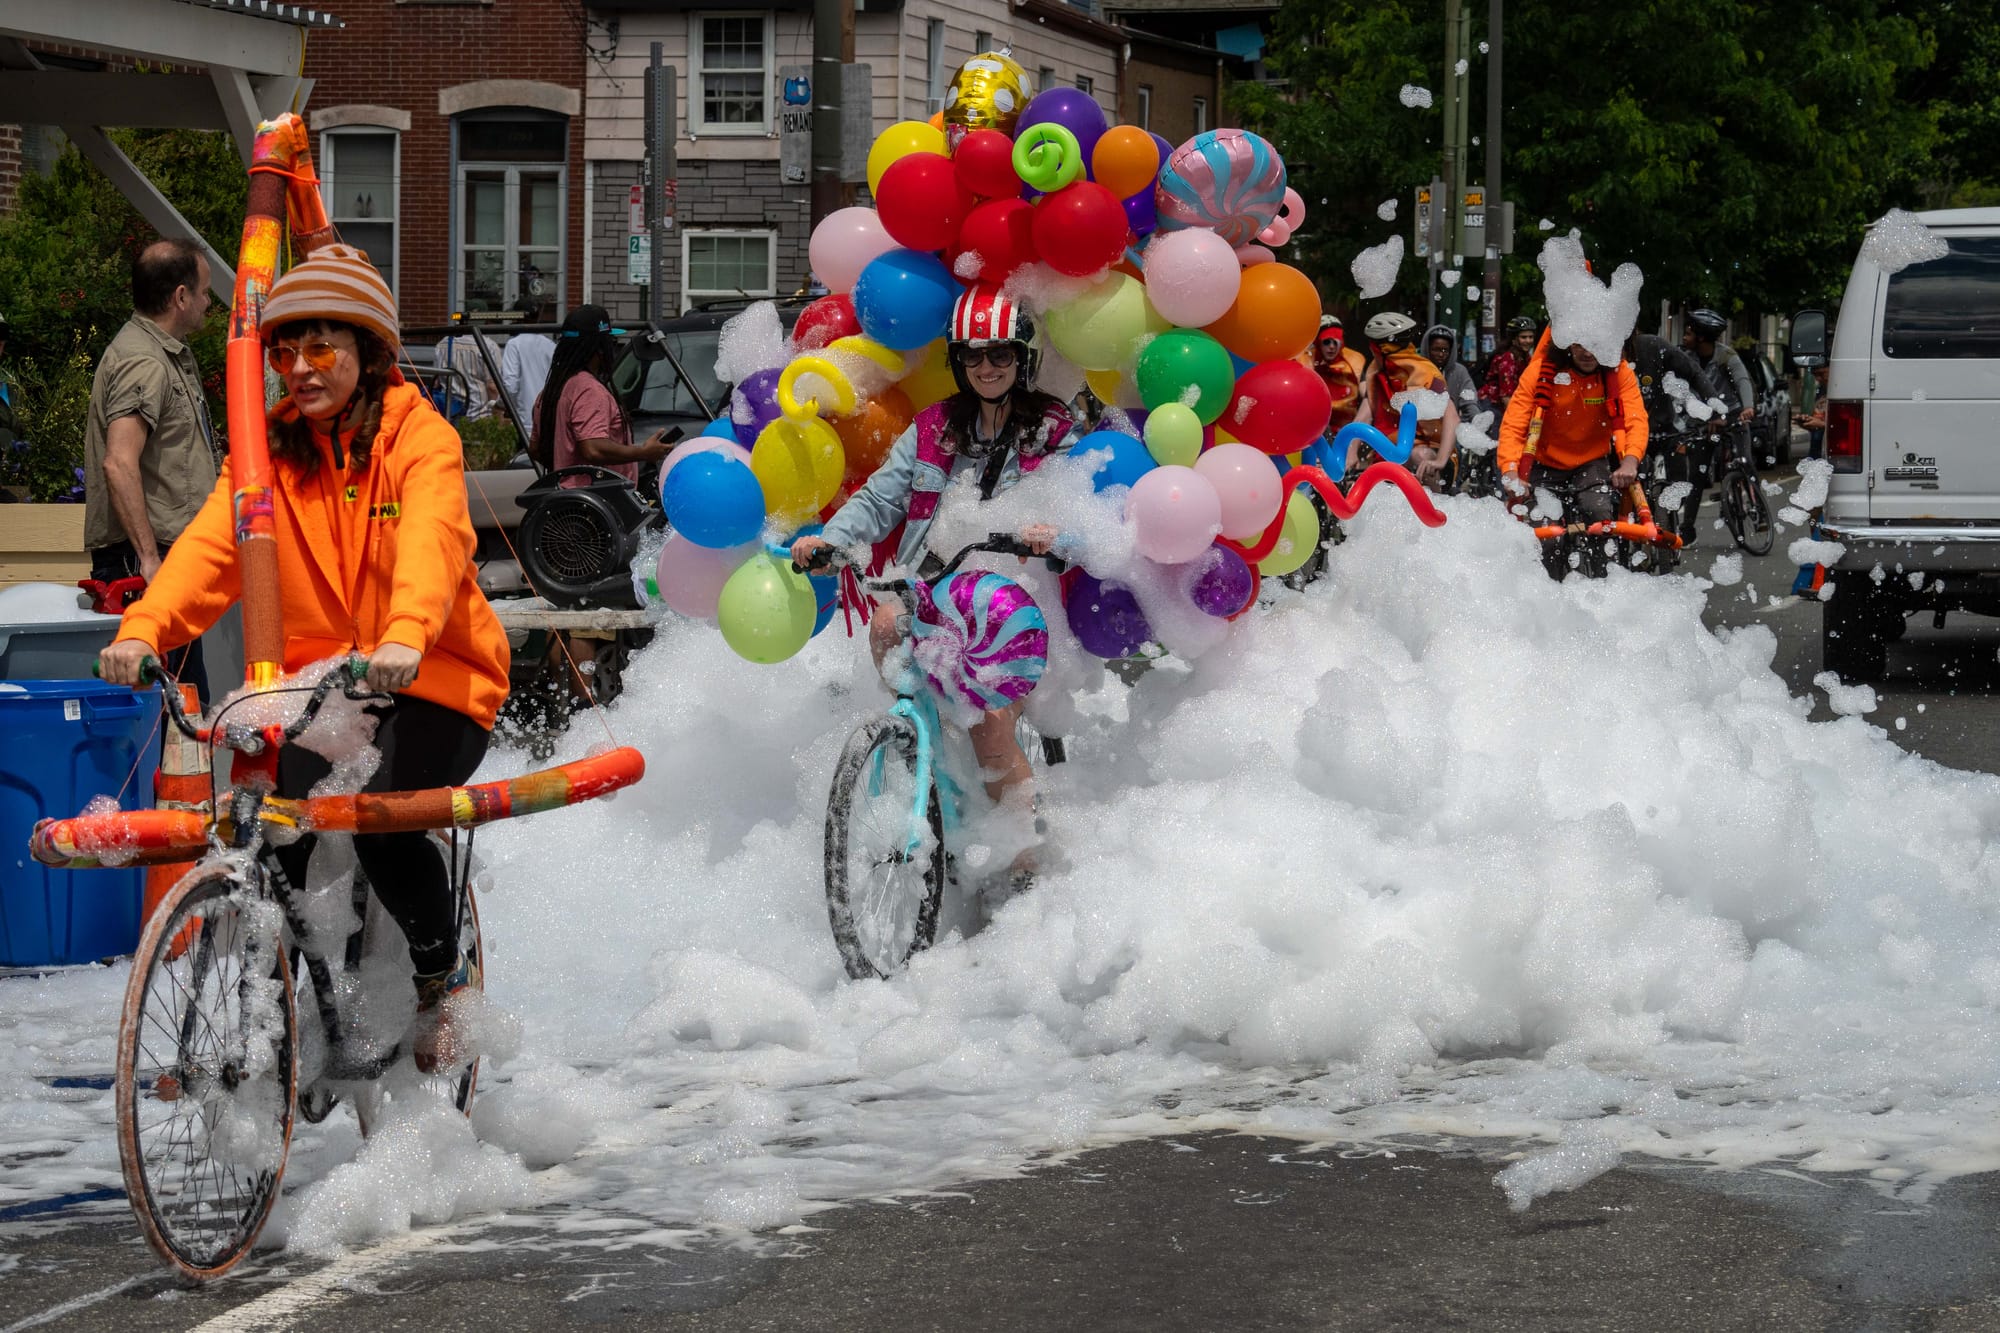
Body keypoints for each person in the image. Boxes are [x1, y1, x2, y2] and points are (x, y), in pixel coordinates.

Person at [97, 243, 512, 1072]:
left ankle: (439, 975)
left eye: (322, 347)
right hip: (324, 691)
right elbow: (213, 548)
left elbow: (433, 537)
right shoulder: (269, 456)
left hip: (434, 678)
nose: (298, 368)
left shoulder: (417, 438)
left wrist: (405, 633)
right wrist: (145, 628)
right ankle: (295, 1018)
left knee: (381, 821)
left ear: (369, 349)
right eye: (285, 350)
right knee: (269, 828)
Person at [791, 287, 1071, 880]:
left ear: (1022, 357)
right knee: (887, 622)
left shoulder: (1052, 428)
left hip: (1008, 599)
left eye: (999, 353)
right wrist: (833, 541)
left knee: (992, 734)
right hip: (934, 586)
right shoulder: (934, 426)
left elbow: (1083, 507)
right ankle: (922, 759)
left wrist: (1054, 531)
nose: (986, 367)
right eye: (972, 356)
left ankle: (1026, 865)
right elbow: (879, 498)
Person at [83, 239, 220, 703]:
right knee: (176, 709)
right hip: (144, 561)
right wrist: (150, 562)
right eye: (203, 291)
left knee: (182, 703)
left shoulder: (162, 353)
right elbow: (119, 462)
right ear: (180, 297)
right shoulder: (145, 361)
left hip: (161, 557)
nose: (207, 302)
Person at [1495, 333, 1650, 578]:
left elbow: (1636, 420)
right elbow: (1514, 425)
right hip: (1543, 464)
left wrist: (1630, 461)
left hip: (1592, 463)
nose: (1588, 353)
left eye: (1596, 343)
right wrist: (1511, 471)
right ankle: (1551, 595)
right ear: (1567, 344)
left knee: (1599, 516)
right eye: (1580, 344)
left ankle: (1604, 585)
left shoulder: (1619, 372)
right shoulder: (1538, 371)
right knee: (1547, 538)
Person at [533, 305, 674, 485]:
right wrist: (643, 452)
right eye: (611, 342)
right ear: (600, 349)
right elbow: (593, 449)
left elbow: (535, 448)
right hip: (599, 501)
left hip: (567, 500)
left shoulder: (551, 391)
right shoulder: (589, 390)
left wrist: (565, 466)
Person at [1624, 328, 1719, 542]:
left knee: (1679, 485)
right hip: (1628, 436)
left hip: (1665, 427)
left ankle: (1670, 519)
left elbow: (1693, 372)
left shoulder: (1654, 346)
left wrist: (1714, 407)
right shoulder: (1603, 355)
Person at [1353, 311, 1459, 488]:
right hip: (1391, 454)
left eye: (1373, 350)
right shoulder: (1377, 373)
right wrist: (1351, 454)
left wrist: (1440, 459)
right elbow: (1363, 418)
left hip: (1431, 452)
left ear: (1381, 351)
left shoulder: (1425, 372)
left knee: (1420, 456)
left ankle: (1439, 510)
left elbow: (1452, 417)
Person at [1681, 308, 1756, 541]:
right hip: (1703, 422)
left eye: (1689, 333)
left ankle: (1757, 508)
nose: (1684, 337)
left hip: (1733, 417)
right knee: (1697, 475)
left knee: (1746, 462)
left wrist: (1748, 406)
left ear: (1701, 337)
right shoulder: (1685, 358)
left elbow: (1743, 380)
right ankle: (1688, 528)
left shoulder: (1726, 356)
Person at [1309, 315, 1366, 436]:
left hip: (1348, 427)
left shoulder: (1354, 361)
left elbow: (1367, 391)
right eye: (1327, 342)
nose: (1331, 346)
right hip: (1316, 427)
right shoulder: (1307, 360)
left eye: (1335, 342)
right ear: (1318, 342)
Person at [431, 332, 498, 421]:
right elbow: (492, 387)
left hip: (448, 413)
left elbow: (436, 382)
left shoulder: (442, 344)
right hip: (478, 415)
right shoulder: (488, 345)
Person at [1481, 316, 1538, 418]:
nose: (1528, 340)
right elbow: (1506, 396)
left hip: (1505, 405)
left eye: (1531, 337)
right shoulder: (1507, 358)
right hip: (1492, 405)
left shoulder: (1526, 357)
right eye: (1523, 337)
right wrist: (1516, 418)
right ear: (1514, 339)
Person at [1422, 322, 1481, 420]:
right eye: (1436, 350)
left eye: (1445, 350)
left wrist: (1477, 418)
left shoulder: (1459, 371)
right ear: (1427, 349)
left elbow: (1469, 400)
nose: (1441, 354)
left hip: (1450, 426)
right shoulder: (1418, 369)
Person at [499, 330, 554, 427]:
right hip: (547, 420)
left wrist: (499, 405)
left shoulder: (514, 344)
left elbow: (510, 387)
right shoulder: (550, 345)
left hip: (524, 421)